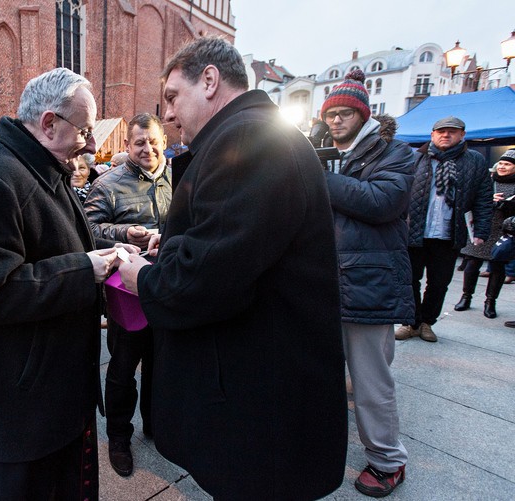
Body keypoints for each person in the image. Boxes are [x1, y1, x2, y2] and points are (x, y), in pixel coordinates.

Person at [117, 36, 347, 500]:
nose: (167, 115)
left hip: (260, 400)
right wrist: (180, 241)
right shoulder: (250, 132)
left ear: (209, 80)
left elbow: (207, 278)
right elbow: (237, 240)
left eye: (171, 97)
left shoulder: (247, 138)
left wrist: (140, 276)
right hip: (262, 384)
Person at [0, 67, 130, 500]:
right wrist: (85, 269)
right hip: (18, 413)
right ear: (48, 124)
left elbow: (59, 238)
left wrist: (112, 248)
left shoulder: (39, 167)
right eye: (84, 130)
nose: (93, 144)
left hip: (51, 399)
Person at [321, 70, 413, 497]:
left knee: (371, 381)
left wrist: (320, 178)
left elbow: (382, 201)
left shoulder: (395, 153)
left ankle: (388, 462)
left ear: (364, 114)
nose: (336, 121)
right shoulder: (326, 154)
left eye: (345, 114)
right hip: (327, 281)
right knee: (329, 375)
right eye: (331, 115)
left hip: (368, 282)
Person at [84, 112, 171, 477]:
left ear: (164, 142)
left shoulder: (180, 177)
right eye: (139, 143)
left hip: (167, 288)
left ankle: (157, 426)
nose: (147, 148)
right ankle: (119, 436)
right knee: (122, 369)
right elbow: (86, 228)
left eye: (153, 141)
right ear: (126, 145)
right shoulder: (107, 183)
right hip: (126, 296)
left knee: (162, 365)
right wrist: (123, 234)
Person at [395, 117, 493, 342]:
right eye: (441, 131)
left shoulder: (474, 161)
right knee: (409, 280)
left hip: (449, 234)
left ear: (462, 135)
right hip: (414, 232)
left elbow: (483, 198)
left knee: (439, 283)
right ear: (432, 135)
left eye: (451, 131)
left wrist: (481, 231)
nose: (445, 135)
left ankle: (428, 322)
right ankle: (410, 322)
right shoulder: (415, 157)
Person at [453, 149, 515, 318]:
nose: (502, 167)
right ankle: (466, 297)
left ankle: (490, 302)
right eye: (501, 163)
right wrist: (490, 199)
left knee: (497, 267)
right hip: (481, 228)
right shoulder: (488, 180)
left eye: (507, 164)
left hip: (504, 232)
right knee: (472, 264)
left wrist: (509, 204)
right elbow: (471, 199)